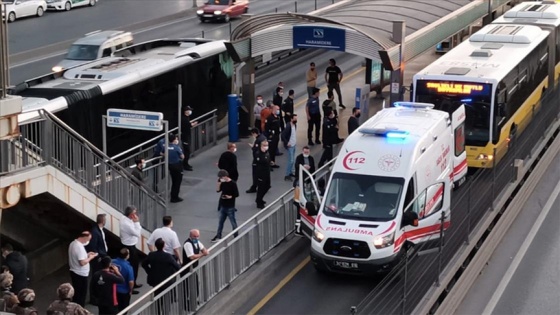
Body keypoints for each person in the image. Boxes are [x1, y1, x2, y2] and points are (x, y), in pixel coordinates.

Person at [142, 238, 180, 315]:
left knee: (157, 296)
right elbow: (177, 267)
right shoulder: (168, 256)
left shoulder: (151, 255)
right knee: (167, 298)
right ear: (164, 246)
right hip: (167, 281)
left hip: (155, 280)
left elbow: (144, 264)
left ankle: (158, 312)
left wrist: (150, 272)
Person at [181, 229, 209, 312]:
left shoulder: (197, 243)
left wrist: (204, 252)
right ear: (190, 236)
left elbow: (204, 249)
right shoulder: (188, 244)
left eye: (197, 236)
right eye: (194, 236)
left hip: (192, 269)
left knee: (195, 284)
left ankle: (193, 300)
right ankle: (185, 304)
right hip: (186, 270)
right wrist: (202, 254)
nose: (196, 238)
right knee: (186, 287)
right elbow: (191, 257)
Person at [68, 231, 97, 307]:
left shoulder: (73, 244)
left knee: (76, 293)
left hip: (74, 271)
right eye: (88, 239)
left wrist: (87, 255)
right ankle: (79, 309)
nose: (88, 241)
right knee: (81, 295)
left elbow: (79, 257)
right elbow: (82, 262)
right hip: (80, 274)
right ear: (84, 237)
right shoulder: (79, 247)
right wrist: (90, 258)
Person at [86, 213, 109, 305]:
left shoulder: (99, 230)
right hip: (98, 258)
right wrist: (98, 256)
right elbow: (93, 246)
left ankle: (98, 296)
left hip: (102, 255)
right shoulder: (95, 232)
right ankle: (94, 298)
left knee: (100, 277)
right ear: (103, 221)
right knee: (96, 277)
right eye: (105, 219)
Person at [211, 170, 240, 242]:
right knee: (220, 222)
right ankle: (218, 235)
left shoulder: (233, 183)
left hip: (230, 205)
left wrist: (230, 196)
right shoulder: (223, 183)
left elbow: (236, 194)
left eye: (221, 177)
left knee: (233, 221)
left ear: (225, 176)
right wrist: (218, 183)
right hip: (223, 205)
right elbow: (218, 190)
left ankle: (236, 234)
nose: (221, 179)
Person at [119, 206, 142, 290]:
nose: (136, 215)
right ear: (131, 215)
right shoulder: (127, 224)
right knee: (133, 265)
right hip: (129, 246)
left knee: (132, 265)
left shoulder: (123, 218)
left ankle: (133, 283)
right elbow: (137, 233)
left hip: (128, 244)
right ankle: (131, 285)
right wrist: (137, 223)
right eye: (134, 213)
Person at [246, 128, 266, 194]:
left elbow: (256, 150)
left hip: (257, 160)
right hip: (263, 159)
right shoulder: (263, 137)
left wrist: (253, 147)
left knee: (255, 174)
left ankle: (254, 187)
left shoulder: (258, 140)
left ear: (254, 133)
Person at [167, 134, 185, 203]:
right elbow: (182, 156)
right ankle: (175, 197)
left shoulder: (166, 147)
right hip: (177, 166)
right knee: (177, 182)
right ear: (174, 140)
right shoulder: (176, 147)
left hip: (170, 166)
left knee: (174, 181)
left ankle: (173, 196)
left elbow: (162, 153)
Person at [255, 140, 271, 209]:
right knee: (261, 188)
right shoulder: (258, 154)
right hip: (261, 174)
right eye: (264, 145)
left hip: (267, 172)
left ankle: (260, 198)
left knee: (267, 186)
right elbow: (260, 162)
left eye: (267, 145)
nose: (266, 147)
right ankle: (259, 202)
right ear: (261, 146)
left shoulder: (267, 153)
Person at [281, 113, 297, 181]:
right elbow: (283, 135)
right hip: (290, 145)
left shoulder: (295, 125)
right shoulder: (288, 126)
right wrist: (287, 143)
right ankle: (287, 175)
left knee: (292, 160)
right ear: (291, 119)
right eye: (295, 118)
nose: (296, 119)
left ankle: (290, 172)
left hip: (294, 144)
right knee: (291, 160)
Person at [181, 106, 198, 171]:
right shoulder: (184, 119)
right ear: (186, 111)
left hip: (187, 135)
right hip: (185, 137)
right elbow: (187, 125)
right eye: (189, 110)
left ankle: (186, 163)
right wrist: (193, 124)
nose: (190, 111)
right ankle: (185, 164)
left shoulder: (186, 118)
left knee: (187, 151)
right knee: (187, 151)